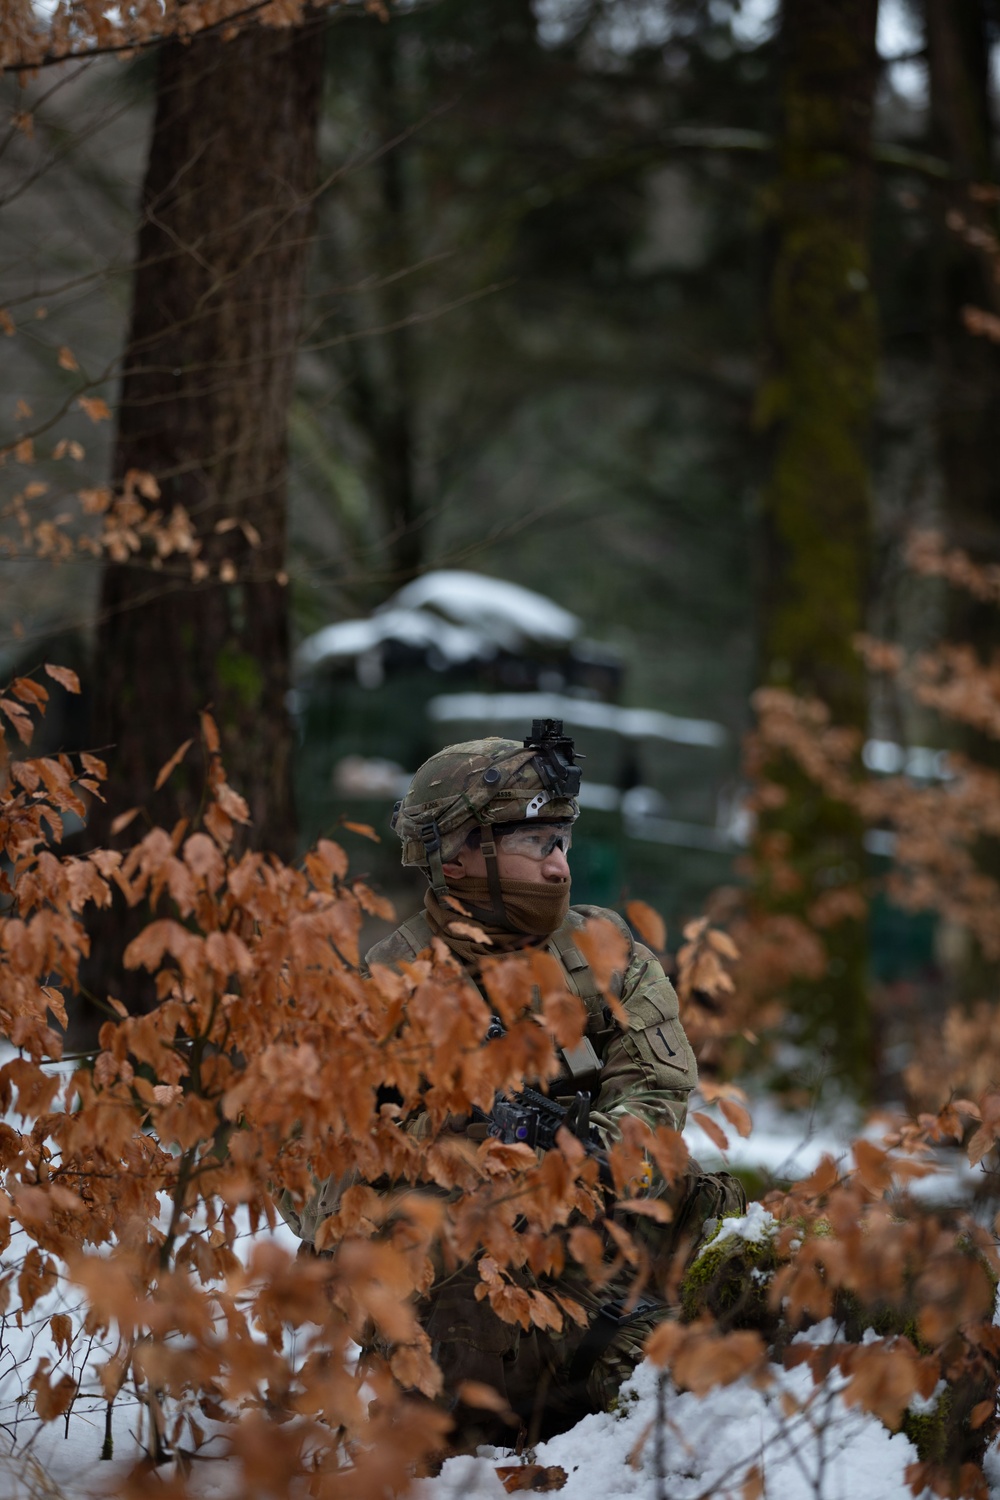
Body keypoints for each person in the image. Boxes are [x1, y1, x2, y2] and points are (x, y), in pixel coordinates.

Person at [281, 719, 745, 1444]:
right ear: (456, 858)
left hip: (615, 1257)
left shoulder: (609, 959)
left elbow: (657, 1096)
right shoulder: (383, 994)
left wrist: (587, 1157)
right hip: (465, 1300)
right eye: (535, 845)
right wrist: (453, 1163)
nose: (559, 866)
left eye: (561, 844)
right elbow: (312, 1175)